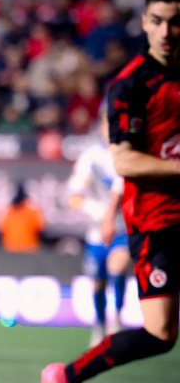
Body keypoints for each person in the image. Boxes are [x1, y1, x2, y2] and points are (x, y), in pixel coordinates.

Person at [32, 0, 180, 383]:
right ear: (144, 23)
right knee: (159, 334)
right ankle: (63, 379)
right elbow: (125, 161)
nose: (166, 31)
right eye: (157, 21)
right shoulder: (131, 84)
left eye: (175, 22)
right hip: (157, 220)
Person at [66, 111, 129, 346]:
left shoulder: (129, 154)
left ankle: (117, 319)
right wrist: (97, 211)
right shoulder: (91, 157)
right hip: (96, 232)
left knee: (118, 267)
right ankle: (99, 324)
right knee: (98, 282)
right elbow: (73, 196)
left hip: (123, 229)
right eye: (107, 124)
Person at [0, 181, 46, 253]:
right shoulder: (33, 210)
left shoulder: (7, 210)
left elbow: (0, 230)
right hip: (28, 248)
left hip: (12, 248)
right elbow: (41, 230)